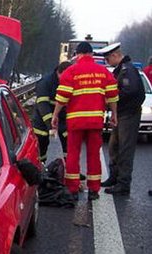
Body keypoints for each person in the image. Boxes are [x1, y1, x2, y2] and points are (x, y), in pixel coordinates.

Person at [51, 42, 118, 201]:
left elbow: (62, 97)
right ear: (91, 54)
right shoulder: (103, 73)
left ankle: (73, 188)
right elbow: (113, 95)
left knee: (73, 153)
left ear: (78, 54)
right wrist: (114, 114)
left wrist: (55, 115)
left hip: (75, 121)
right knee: (94, 154)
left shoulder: (71, 72)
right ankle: (94, 190)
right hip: (95, 121)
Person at [97, 43, 146, 196]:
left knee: (125, 149)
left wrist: (112, 100)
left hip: (128, 115)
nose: (106, 62)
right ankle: (115, 177)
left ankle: (123, 184)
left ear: (115, 55)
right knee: (114, 146)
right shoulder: (123, 70)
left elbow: (129, 91)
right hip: (122, 114)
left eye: (107, 59)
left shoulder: (127, 70)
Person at [32, 61, 72, 162]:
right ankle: (41, 166)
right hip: (43, 117)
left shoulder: (68, 82)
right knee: (42, 141)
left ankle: (71, 168)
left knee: (69, 141)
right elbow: (43, 105)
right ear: (60, 72)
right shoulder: (45, 82)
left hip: (63, 116)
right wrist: (50, 125)